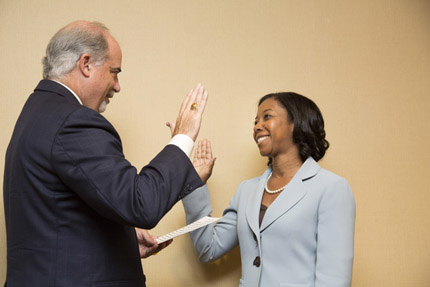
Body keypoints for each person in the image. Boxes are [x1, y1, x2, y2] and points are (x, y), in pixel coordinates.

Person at [3, 20, 208, 287]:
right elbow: (140, 204)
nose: (117, 85)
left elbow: (58, 219)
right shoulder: (73, 121)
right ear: (86, 64)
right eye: (114, 72)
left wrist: (120, 242)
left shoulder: (38, 112)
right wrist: (183, 137)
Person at [182, 92, 356, 286]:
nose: (257, 126)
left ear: (296, 123)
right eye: (255, 121)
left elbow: (334, 281)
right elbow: (208, 249)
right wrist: (196, 184)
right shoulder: (246, 190)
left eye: (267, 116)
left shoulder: (332, 189)